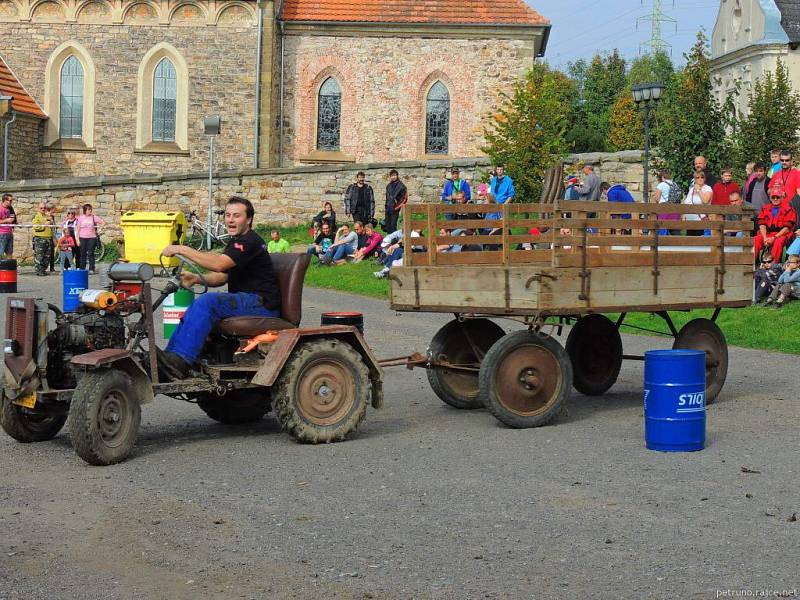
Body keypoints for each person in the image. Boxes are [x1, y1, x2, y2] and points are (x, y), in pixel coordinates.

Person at [158, 196, 281, 379]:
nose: (230, 219)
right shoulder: (237, 242)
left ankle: (181, 360)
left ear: (248, 220)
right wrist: (195, 279)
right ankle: (171, 357)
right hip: (247, 300)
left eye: (236, 216)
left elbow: (219, 265)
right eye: (228, 215)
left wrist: (181, 249)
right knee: (198, 306)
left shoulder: (249, 241)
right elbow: (222, 276)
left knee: (208, 302)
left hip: (262, 304)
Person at [754, 190, 796, 262]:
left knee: (778, 242)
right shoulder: (765, 208)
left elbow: (787, 228)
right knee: (756, 239)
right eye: (773, 197)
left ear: (782, 198)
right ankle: (749, 264)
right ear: (770, 198)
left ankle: (772, 265)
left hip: (781, 234)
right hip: (767, 234)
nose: (775, 199)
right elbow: (762, 224)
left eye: (778, 197)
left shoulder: (789, 209)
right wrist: (765, 238)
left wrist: (774, 237)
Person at [76, 203, 106, 273]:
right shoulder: (81, 218)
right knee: (82, 254)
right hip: (82, 238)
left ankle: (91, 268)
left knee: (91, 253)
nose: (90, 211)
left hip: (92, 238)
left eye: (90, 209)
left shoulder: (93, 217)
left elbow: (103, 222)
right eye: (89, 209)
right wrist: (77, 239)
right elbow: (77, 229)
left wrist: (100, 229)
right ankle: (82, 268)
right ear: (85, 210)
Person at [683, 171, 713, 236]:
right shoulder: (691, 189)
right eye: (697, 177)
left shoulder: (707, 188)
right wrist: (684, 215)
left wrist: (699, 190)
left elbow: (706, 200)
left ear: (704, 179)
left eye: (702, 177)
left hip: (701, 220)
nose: (700, 179)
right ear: (694, 179)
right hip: (690, 220)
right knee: (690, 242)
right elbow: (687, 202)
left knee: (700, 242)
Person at [31, 202, 55, 276]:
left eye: (44, 208)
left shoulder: (48, 216)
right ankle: (39, 270)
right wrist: (44, 225)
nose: (43, 209)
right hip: (39, 238)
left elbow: (52, 227)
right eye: (41, 208)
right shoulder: (36, 216)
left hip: (48, 238)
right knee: (39, 256)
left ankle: (43, 270)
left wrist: (51, 221)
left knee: (47, 256)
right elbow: (36, 227)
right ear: (38, 209)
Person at [384, 169, 407, 234]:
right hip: (388, 208)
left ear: (397, 176)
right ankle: (389, 241)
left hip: (395, 208)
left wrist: (397, 207)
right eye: (392, 175)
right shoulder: (388, 186)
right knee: (388, 226)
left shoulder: (401, 186)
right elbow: (387, 198)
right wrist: (386, 206)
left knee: (393, 226)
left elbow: (404, 198)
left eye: (394, 175)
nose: (393, 177)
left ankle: (394, 241)